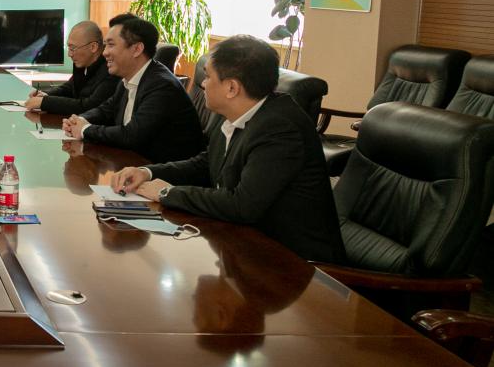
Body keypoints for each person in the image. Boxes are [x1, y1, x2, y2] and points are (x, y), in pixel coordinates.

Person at [111, 34, 346, 263]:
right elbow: (206, 164)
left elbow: (242, 205)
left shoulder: (280, 129)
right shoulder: (237, 114)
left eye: (208, 77)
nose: (203, 84)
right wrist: (148, 172)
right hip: (247, 245)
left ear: (232, 88)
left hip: (296, 265)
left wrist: (167, 193)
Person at [62, 14, 204, 162]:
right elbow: (106, 110)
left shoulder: (162, 86)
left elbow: (131, 135)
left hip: (162, 171)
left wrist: (84, 129)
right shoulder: (128, 78)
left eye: (111, 45)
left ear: (137, 49)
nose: (104, 52)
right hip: (133, 163)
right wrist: (79, 120)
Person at [23, 20, 117, 114]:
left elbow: (88, 106)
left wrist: (45, 102)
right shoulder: (83, 62)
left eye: (73, 48)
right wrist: (46, 94)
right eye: (69, 48)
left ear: (93, 47)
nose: (69, 54)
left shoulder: (111, 69)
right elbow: (69, 87)